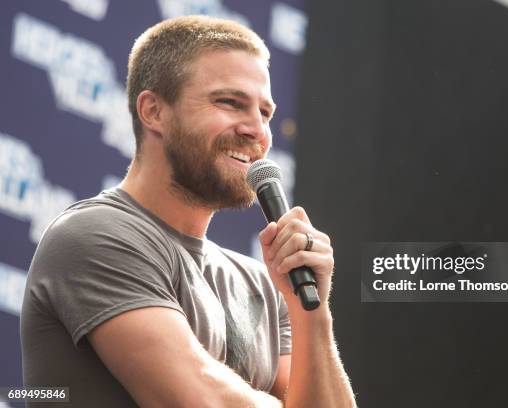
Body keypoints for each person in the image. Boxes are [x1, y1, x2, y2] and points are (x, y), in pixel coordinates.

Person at [21, 15, 355, 407]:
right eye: (230, 102)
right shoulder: (94, 235)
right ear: (153, 111)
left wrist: (311, 313)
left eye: (264, 113)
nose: (256, 130)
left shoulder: (264, 284)